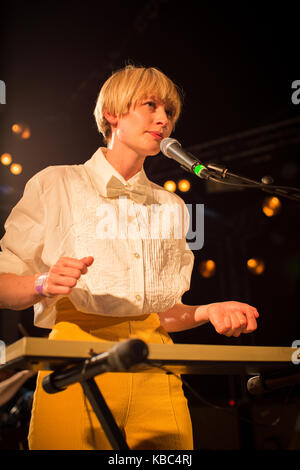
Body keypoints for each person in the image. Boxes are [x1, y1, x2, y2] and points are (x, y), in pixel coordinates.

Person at [0, 65, 259, 450]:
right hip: (75, 358)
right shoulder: (56, 183)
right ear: (112, 114)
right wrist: (42, 283)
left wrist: (207, 311)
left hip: (155, 363)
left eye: (169, 112)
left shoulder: (170, 205)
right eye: (151, 105)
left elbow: (161, 313)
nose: (163, 119)